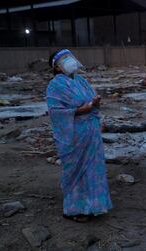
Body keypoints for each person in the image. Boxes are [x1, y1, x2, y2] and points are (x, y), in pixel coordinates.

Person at [46, 49, 112, 223]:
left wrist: (95, 103)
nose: (70, 61)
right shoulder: (55, 85)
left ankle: (94, 206)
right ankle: (75, 209)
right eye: (64, 59)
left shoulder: (81, 81)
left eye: (69, 57)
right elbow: (56, 113)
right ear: (57, 67)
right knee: (77, 172)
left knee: (93, 170)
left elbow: (91, 101)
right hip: (74, 135)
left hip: (91, 132)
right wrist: (83, 109)